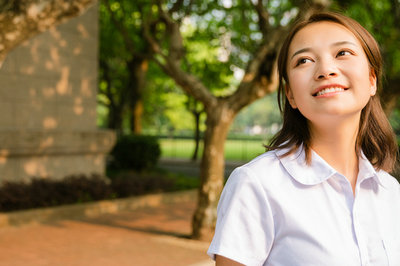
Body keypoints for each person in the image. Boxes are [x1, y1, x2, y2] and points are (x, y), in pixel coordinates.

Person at [207, 11, 400, 266]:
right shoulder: (257, 185)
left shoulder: (390, 192)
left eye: (342, 53)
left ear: (372, 80)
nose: (326, 70)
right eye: (304, 60)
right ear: (291, 95)